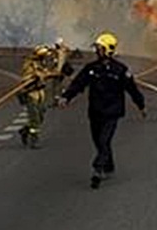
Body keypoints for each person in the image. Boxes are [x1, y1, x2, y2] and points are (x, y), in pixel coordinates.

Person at [56, 31, 146, 189]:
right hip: (95, 111)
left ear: (109, 50)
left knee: (104, 140)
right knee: (99, 141)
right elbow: (79, 83)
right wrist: (67, 97)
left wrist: (141, 105)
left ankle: (98, 169)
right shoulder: (91, 69)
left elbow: (132, 89)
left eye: (100, 48)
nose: (97, 51)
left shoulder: (120, 70)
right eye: (97, 48)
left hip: (112, 112)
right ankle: (109, 165)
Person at [17, 44, 57, 147]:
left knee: (41, 115)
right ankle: (34, 140)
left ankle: (25, 130)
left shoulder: (41, 63)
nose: (46, 57)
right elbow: (25, 78)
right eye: (44, 55)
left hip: (40, 93)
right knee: (34, 118)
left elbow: (45, 74)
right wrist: (35, 76)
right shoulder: (29, 64)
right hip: (31, 93)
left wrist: (49, 74)